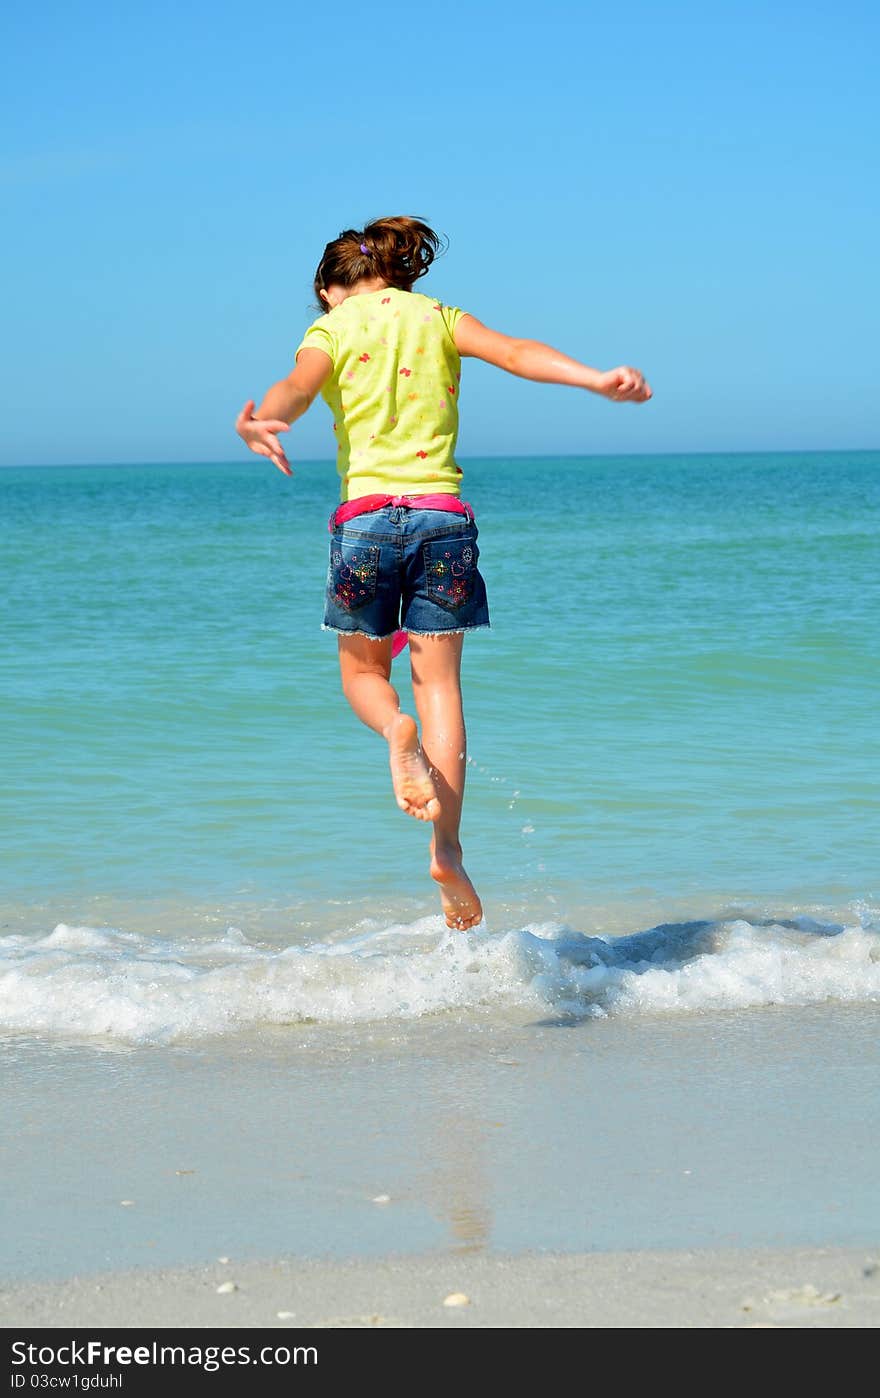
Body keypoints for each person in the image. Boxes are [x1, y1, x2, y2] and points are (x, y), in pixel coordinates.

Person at [236, 216, 652, 931]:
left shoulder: (331, 332)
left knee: (365, 676)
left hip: (366, 519)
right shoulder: (439, 317)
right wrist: (595, 380)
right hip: (442, 518)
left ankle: (393, 731)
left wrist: (263, 422)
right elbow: (518, 353)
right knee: (443, 688)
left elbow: (295, 388)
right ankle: (448, 848)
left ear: (330, 290)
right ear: (397, 274)